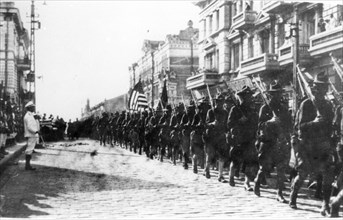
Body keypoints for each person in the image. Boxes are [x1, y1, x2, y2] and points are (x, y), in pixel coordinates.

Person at [289, 72, 335, 216]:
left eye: (324, 87)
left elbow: (330, 125)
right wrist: (314, 123)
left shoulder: (327, 105)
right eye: (320, 87)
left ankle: (325, 205)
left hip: (323, 145)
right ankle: (293, 195)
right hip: (307, 145)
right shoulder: (307, 103)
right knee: (303, 174)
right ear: (314, 88)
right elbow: (299, 127)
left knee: (328, 174)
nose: (322, 90)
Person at [254, 82, 292, 203]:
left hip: (280, 142)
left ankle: (279, 193)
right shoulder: (264, 108)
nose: (277, 96)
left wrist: (287, 136)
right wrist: (270, 121)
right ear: (270, 95)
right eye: (275, 94)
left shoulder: (283, 108)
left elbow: (288, 125)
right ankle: (257, 182)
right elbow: (259, 125)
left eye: (279, 94)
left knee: (281, 169)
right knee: (264, 168)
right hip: (268, 142)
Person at [227, 86, 259, 190]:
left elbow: (255, 123)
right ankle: (231, 177)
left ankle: (247, 183)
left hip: (249, 138)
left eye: (250, 96)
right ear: (242, 97)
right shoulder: (235, 109)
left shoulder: (252, 110)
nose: (249, 99)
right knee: (235, 160)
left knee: (249, 162)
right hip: (238, 138)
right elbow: (229, 123)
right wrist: (239, 121)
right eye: (246, 97)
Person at [24, 101, 39, 171]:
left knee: (30, 149)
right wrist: (36, 131)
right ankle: (27, 166)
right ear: (29, 108)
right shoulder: (28, 116)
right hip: (31, 134)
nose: (34, 108)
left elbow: (34, 124)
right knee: (29, 150)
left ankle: (28, 165)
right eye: (33, 107)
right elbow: (29, 127)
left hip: (32, 135)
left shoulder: (31, 115)